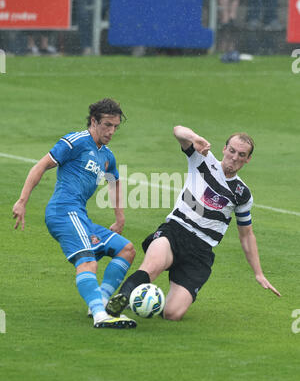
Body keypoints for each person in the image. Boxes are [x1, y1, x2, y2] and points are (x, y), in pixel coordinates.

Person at [106, 125, 281, 322]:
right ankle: (121, 300)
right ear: (224, 149)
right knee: (152, 266)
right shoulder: (203, 160)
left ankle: (149, 301)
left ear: (248, 159)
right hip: (175, 231)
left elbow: (246, 235)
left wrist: (258, 273)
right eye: (232, 150)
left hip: (201, 250)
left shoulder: (242, 193)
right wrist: (195, 137)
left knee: (173, 313)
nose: (234, 157)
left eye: (242, 154)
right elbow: (177, 130)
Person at [12, 98, 137, 329]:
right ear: (93, 121)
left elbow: (114, 182)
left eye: (115, 127)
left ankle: (98, 303)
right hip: (62, 212)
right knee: (88, 262)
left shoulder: (107, 156)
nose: (111, 131)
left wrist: (119, 217)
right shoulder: (76, 141)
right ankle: (101, 317)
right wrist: (22, 201)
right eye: (107, 125)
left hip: (80, 216)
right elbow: (40, 165)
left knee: (126, 250)